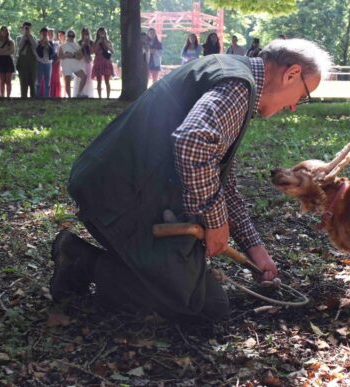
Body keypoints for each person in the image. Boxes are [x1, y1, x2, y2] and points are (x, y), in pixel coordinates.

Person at [52, 38, 331, 322]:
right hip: (119, 197)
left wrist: (254, 249)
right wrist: (215, 221)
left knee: (201, 298)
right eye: (304, 96)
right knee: (201, 307)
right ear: (291, 74)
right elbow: (193, 142)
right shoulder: (237, 86)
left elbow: (223, 181)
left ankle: (109, 265)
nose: (296, 106)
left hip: (120, 187)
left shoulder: (233, 73)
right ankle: (82, 261)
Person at [60, 30, 88, 98]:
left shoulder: (77, 46)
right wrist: (66, 55)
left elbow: (81, 56)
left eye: (73, 36)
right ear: (67, 36)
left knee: (84, 76)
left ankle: (79, 93)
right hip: (66, 65)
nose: (71, 37)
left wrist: (73, 56)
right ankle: (69, 97)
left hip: (76, 65)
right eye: (70, 35)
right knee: (67, 82)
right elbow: (60, 56)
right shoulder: (63, 46)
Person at [16, 22, 38, 98]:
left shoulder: (34, 38)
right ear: (23, 29)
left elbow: (35, 46)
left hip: (33, 61)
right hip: (23, 61)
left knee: (33, 80)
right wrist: (25, 36)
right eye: (25, 28)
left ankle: (33, 97)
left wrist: (30, 36)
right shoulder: (19, 38)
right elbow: (19, 45)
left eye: (28, 28)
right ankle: (23, 97)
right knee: (23, 81)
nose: (27, 30)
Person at [92, 27, 114, 99]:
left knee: (107, 81)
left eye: (103, 32)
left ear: (105, 33)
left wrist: (105, 43)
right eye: (100, 32)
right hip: (98, 61)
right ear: (98, 34)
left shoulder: (108, 42)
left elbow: (112, 51)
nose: (101, 34)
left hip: (106, 62)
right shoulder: (96, 42)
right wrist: (98, 42)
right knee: (99, 81)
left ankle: (108, 97)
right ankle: (99, 97)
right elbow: (93, 51)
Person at [0, 26, 15, 97]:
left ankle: (8, 97)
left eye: (5, 30)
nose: (4, 32)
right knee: (1, 81)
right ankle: (2, 97)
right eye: (3, 30)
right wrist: (6, 51)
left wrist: (0, 50)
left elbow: (11, 51)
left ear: (8, 32)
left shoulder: (11, 41)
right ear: (0, 32)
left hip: (8, 61)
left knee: (8, 81)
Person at [36, 27, 55, 98]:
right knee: (38, 82)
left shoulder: (50, 42)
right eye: (43, 33)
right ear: (40, 34)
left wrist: (48, 45)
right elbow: (38, 53)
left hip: (48, 64)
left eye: (45, 33)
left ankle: (47, 97)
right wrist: (41, 45)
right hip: (40, 63)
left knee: (47, 83)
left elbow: (53, 53)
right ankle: (37, 97)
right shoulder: (38, 42)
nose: (44, 35)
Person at [76, 27, 95, 98]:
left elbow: (93, 52)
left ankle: (87, 93)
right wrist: (83, 45)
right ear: (82, 34)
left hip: (88, 62)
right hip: (81, 62)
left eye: (87, 33)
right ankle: (80, 92)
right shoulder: (79, 42)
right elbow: (77, 52)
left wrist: (88, 44)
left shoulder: (91, 42)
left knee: (88, 79)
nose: (85, 35)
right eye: (84, 33)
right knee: (81, 78)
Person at [48, 29, 63, 98]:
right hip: (47, 63)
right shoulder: (44, 42)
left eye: (52, 33)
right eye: (49, 33)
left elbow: (60, 54)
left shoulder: (56, 44)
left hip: (56, 64)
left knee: (55, 79)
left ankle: (56, 94)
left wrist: (58, 59)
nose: (50, 35)